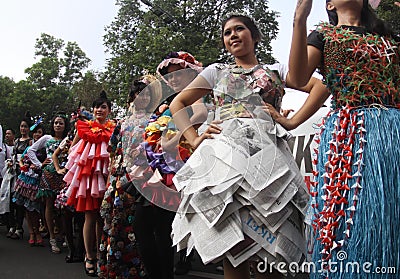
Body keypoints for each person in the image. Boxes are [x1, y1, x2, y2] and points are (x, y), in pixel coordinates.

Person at [168, 14, 324, 279]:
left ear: (254, 35)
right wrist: (193, 138)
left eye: (239, 29)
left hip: (270, 163)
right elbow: (177, 104)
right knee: (235, 252)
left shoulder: (277, 70)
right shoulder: (216, 71)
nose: (233, 35)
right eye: (227, 33)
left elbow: (321, 87)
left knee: (273, 251)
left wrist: (291, 121)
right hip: (227, 168)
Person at [279, 0, 400, 278]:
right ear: (330, 4)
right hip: (349, 134)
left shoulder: (389, 38)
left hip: (392, 134)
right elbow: (297, 78)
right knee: (351, 215)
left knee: (389, 214)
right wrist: (299, 19)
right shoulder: (323, 36)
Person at [127, 51, 206, 279]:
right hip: (158, 169)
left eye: (177, 74)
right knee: (147, 228)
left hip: (174, 171)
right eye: (169, 76)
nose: (172, 79)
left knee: (159, 230)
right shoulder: (175, 100)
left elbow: (201, 112)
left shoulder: (194, 95)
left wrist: (174, 139)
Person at [98, 74, 162, 279]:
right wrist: (111, 179)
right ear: (131, 98)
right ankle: (116, 268)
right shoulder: (122, 122)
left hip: (146, 177)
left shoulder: (156, 120)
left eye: (145, 95)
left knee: (142, 225)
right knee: (118, 221)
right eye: (137, 95)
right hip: (121, 176)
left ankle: (145, 268)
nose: (141, 98)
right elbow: (113, 151)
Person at [64, 91, 115, 277]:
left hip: (107, 176)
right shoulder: (84, 127)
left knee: (103, 217)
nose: (99, 109)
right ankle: (89, 256)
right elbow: (71, 150)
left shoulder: (113, 129)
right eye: (96, 106)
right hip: (88, 177)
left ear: (109, 110)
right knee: (90, 217)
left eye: (103, 106)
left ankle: (101, 254)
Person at [13, 122, 47, 246]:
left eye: (40, 132)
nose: (37, 134)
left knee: (35, 208)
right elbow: (21, 159)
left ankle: (37, 231)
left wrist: (39, 166)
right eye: (35, 132)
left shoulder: (45, 147)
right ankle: (32, 232)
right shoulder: (30, 146)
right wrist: (23, 167)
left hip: (37, 180)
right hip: (26, 179)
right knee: (27, 207)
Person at [3, 114, 33, 240]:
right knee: (10, 201)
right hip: (14, 173)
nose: (23, 129)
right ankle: (12, 225)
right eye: (21, 126)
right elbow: (13, 156)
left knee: (19, 202)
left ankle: (19, 227)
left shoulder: (30, 142)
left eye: (25, 127)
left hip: (24, 174)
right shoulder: (16, 141)